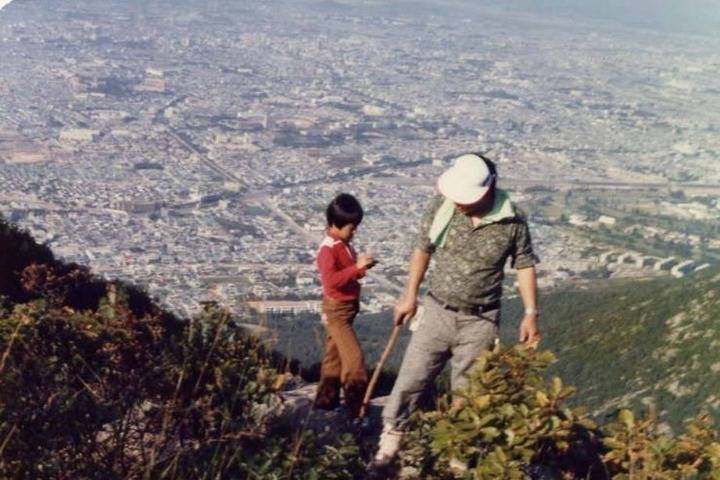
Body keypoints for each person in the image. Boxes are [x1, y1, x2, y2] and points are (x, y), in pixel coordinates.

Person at [369, 153, 541, 468]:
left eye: (465, 197)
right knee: (412, 377)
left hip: (481, 319)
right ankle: (391, 438)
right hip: (437, 309)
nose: (459, 202)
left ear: (487, 190)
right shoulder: (443, 206)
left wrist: (531, 313)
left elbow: (525, 264)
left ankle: (458, 452)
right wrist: (410, 296)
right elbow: (423, 247)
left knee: (469, 390)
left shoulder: (513, 220)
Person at [314, 193, 376, 418]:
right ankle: (355, 410)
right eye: (352, 227)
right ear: (335, 225)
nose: (355, 231)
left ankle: (325, 403)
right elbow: (330, 280)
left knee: (334, 357)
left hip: (347, 308)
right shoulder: (328, 249)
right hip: (337, 310)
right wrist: (355, 268)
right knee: (354, 359)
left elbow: (346, 275)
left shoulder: (343, 244)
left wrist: (360, 268)